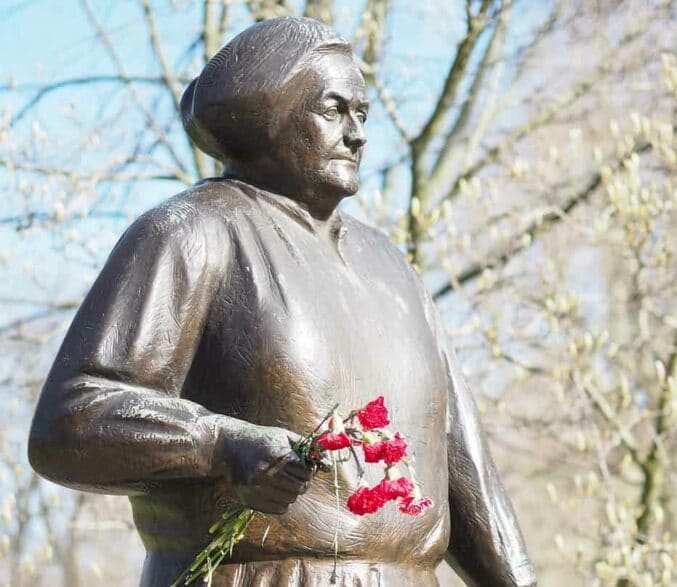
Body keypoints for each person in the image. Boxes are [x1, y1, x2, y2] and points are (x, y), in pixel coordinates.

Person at [28, 16, 536, 587]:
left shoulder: (393, 269)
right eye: (332, 110)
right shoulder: (192, 232)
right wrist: (219, 444)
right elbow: (71, 419)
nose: (357, 134)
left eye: (362, 114)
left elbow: (459, 455)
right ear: (270, 113)